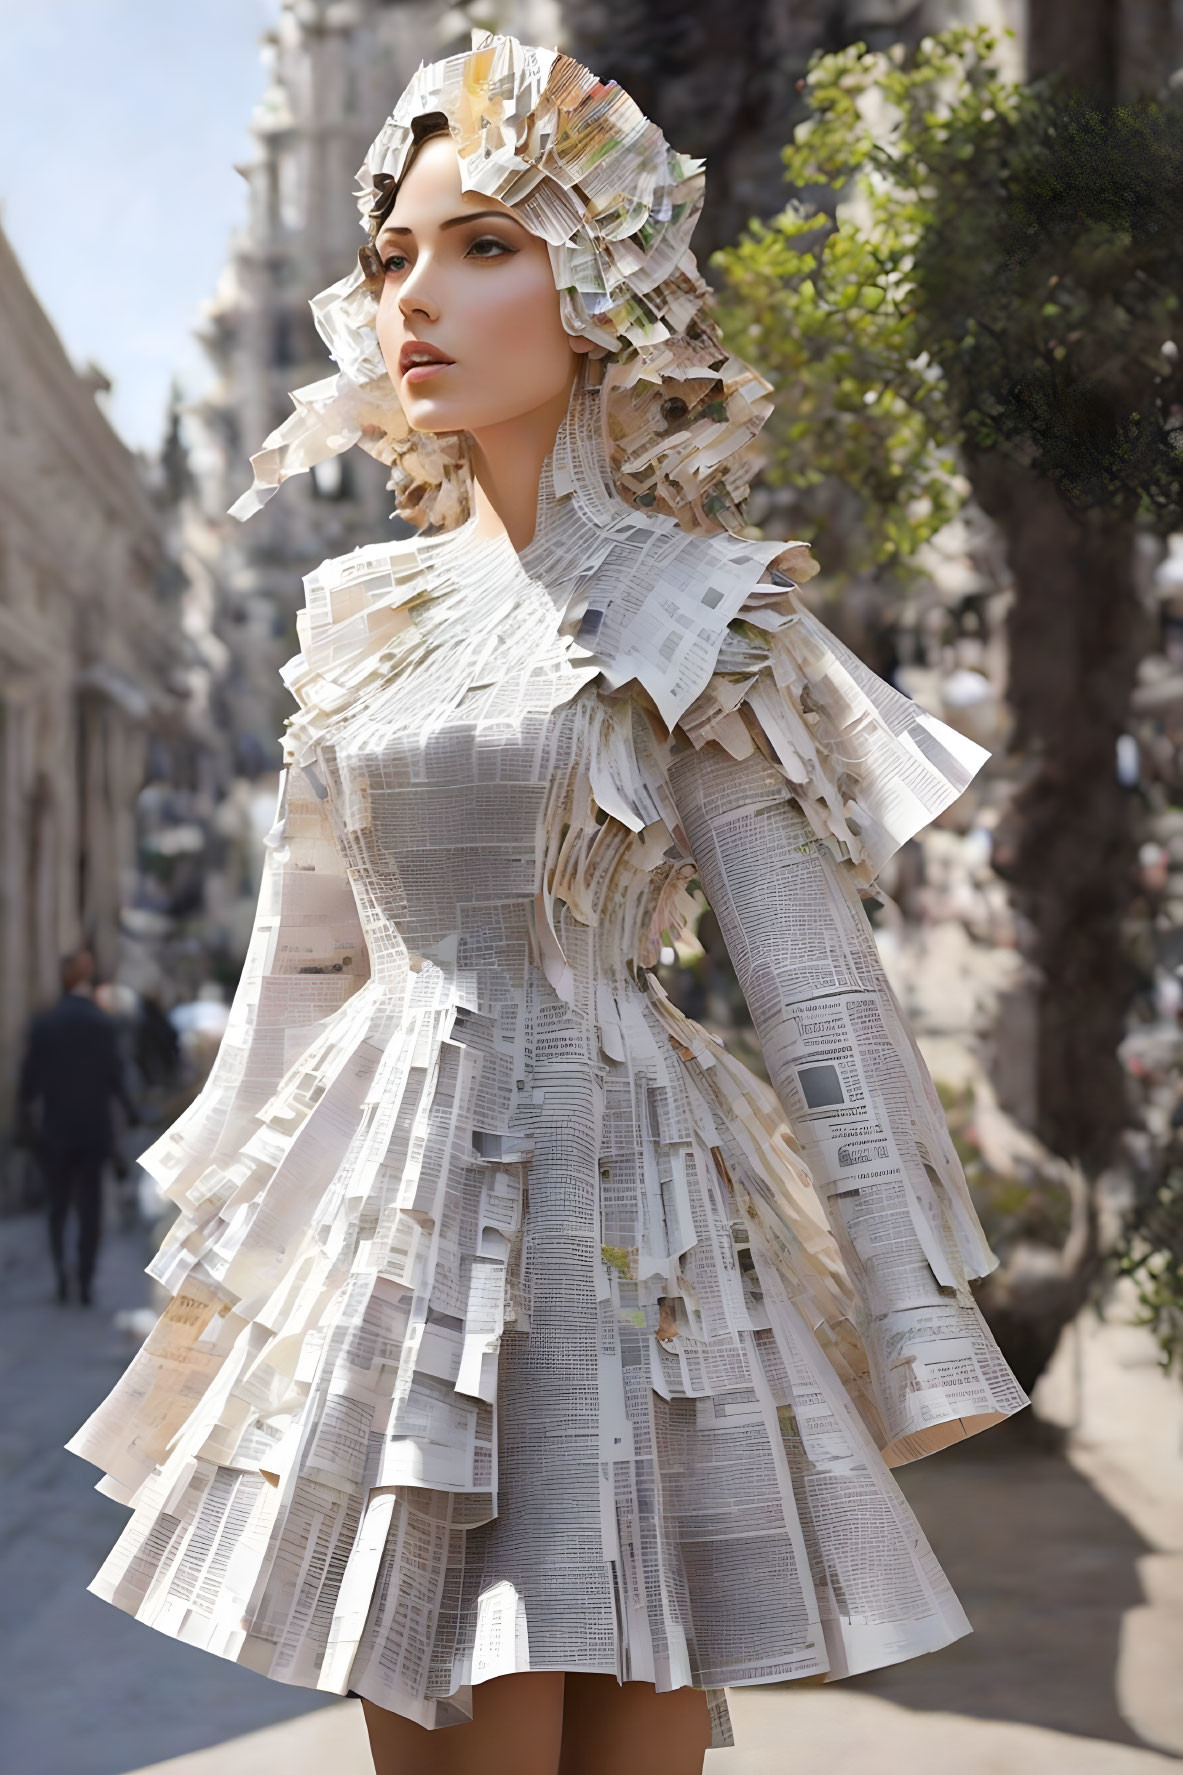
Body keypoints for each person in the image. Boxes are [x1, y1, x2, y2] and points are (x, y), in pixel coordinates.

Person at [67, 36, 1028, 1775]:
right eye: (393, 257)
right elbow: (303, 959)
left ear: (599, 277)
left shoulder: (703, 609)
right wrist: (221, 1269)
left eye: (483, 243)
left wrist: (910, 1305)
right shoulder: (357, 613)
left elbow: (814, 984)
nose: (413, 296)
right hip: (395, 1229)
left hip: (629, 1222)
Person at [19, 948, 131, 1305]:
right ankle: (84, 1279)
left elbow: (28, 1086)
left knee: (58, 1207)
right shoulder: (103, 1024)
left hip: (56, 1131)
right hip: (93, 1130)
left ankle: (61, 1277)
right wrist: (130, 1115)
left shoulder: (45, 1025)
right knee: (90, 1207)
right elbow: (117, 1079)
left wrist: (27, 1124)